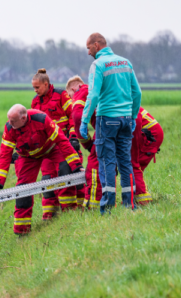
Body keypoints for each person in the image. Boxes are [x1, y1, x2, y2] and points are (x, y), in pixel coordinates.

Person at [0, 104, 82, 235]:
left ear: (23, 118)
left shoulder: (42, 119)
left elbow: (61, 141)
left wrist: (76, 166)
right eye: (9, 120)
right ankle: (22, 232)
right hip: (28, 157)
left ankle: (70, 213)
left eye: (13, 120)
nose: (9, 123)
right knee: (22, 189)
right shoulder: (9, 128)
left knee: (65, 170)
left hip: (51, 148)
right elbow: (4, 156)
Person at [80, 33, 142, 214]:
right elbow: (137, 93)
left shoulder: (97, 65)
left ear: (97, 45)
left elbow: (94, 95)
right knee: (125, 161)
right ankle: (130, 204)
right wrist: (132, 116)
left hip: (106, 119)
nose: (88, 52)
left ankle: (107, 207)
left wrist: (84, 121)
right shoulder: (125, 62)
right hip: (125, 119)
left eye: (89, 48)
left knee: (107, 161)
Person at [31, 68, 83, 214]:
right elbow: (35, 128)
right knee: (47, 179)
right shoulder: (35, 102)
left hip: (65, 144)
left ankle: (74, 210)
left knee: (70, 175)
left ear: (46, 84)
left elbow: (73, 117)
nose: (35, 90)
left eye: (37, 87)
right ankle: (49, 215)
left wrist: (73, 137)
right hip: (48, 148)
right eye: (33, 88)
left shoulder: (61, 95)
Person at [66, 75, 102, 210]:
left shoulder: (81, 92)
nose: (71, 100)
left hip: (105, 129)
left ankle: (92, 206)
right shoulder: (92, 90)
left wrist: (87, 144)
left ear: (74, 88)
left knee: (93, 166)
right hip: (124, 123)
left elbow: (76, 117)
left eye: (70, 96)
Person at [131, 107, 164, 204]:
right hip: (150, 131)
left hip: (150, 134)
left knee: (134, 166)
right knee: (133, 166)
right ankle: (135, 197)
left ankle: (142, 201)